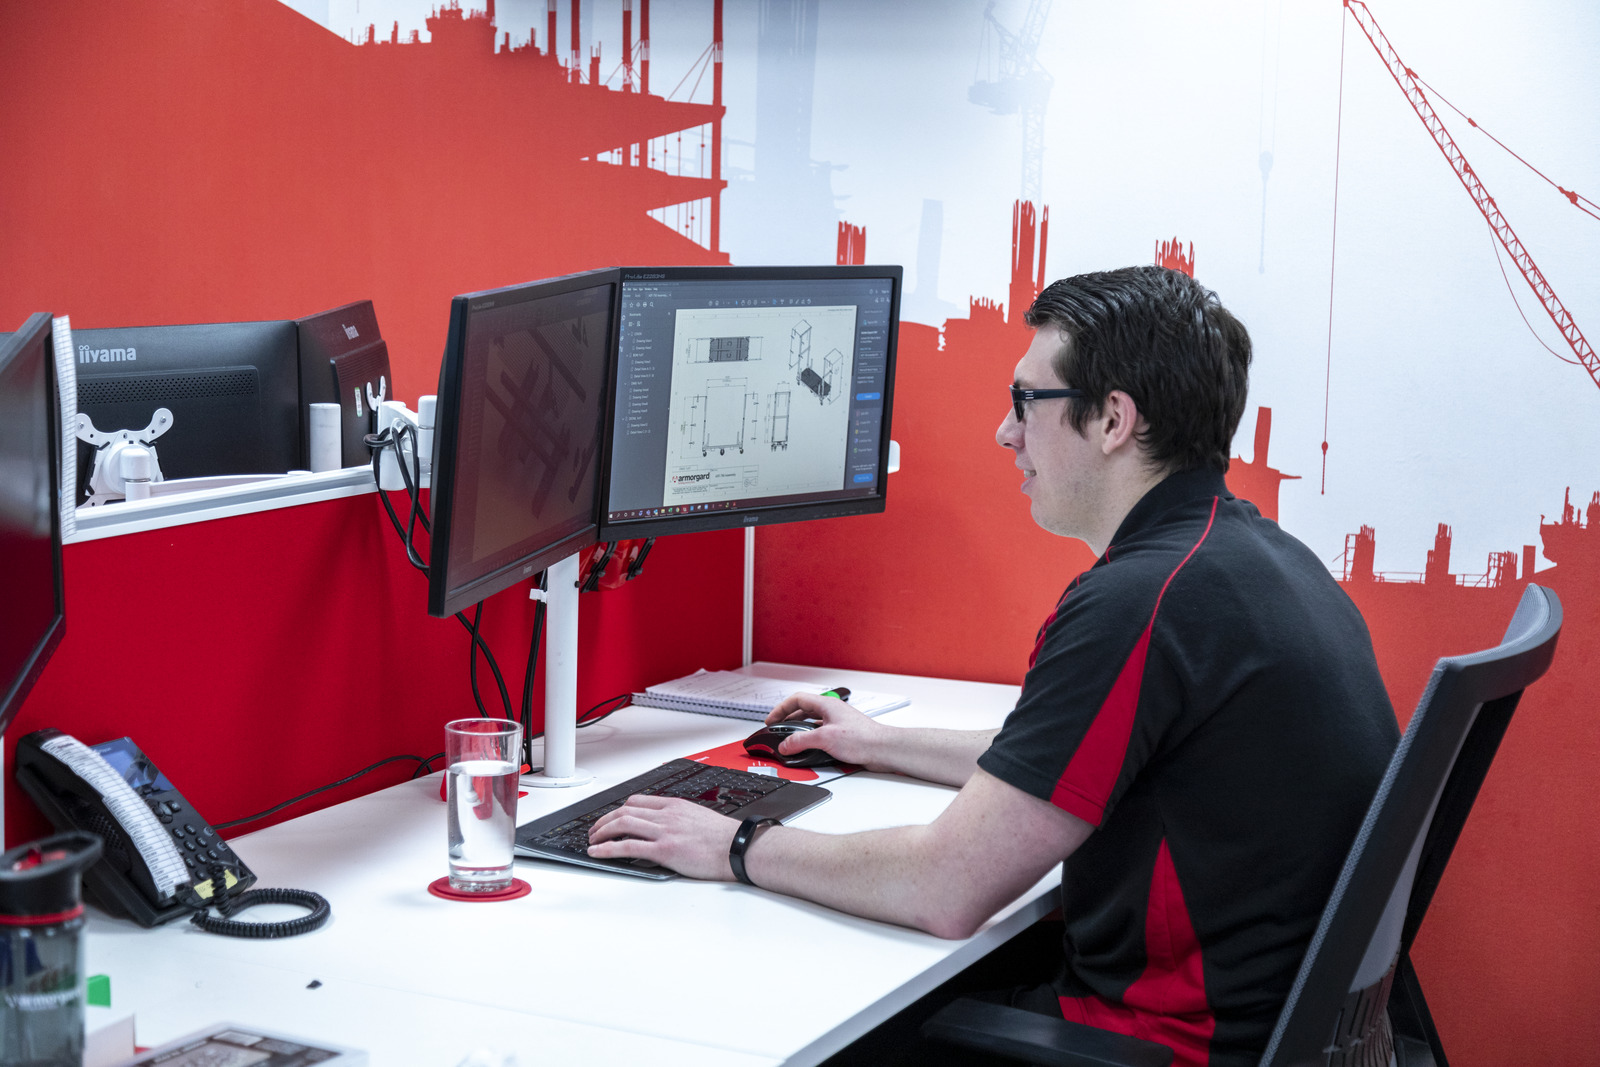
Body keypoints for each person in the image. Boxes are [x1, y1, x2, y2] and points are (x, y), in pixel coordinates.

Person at [589, 266, 1399, 1067]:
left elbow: (943, 888)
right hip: (1280, 1034)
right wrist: (880, 743)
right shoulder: (1253, 562)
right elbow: (1066, 757)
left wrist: (736, 844)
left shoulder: (1141, 604)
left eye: (1026, 402)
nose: (1005, 433)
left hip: (1160, 1049)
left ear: (1114, 418)